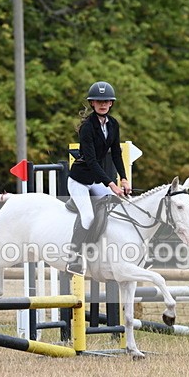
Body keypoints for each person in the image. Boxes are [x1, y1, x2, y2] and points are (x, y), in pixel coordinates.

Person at [66, 81, 132, 275]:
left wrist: (124, 179)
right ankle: (74, 257)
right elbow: (93, 161)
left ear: (111, 103)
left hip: (96, 180)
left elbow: (116, 153)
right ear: (92, 103)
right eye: (98, 101)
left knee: (121, 205)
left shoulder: (113, 124)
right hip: (80, 180)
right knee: (88, 216)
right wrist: (111, 184)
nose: (103, 104)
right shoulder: (87, 127)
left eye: (106, 101)